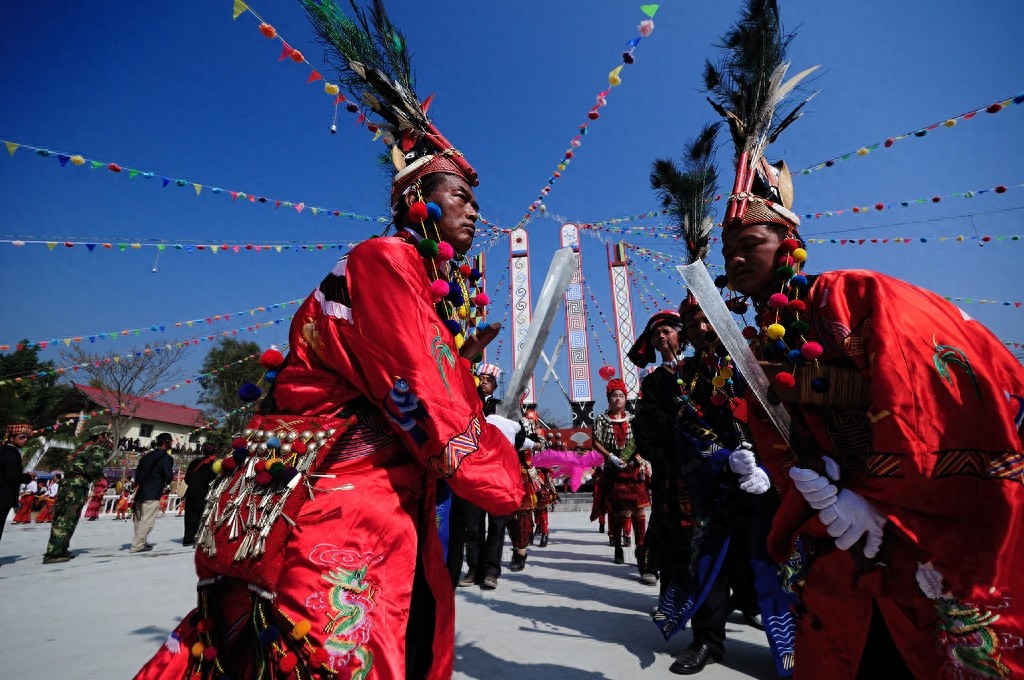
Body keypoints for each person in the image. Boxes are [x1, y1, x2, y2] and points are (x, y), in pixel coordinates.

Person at [134, 4, 524, 676]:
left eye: (475, 201)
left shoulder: (410, 277)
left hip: (350, 487)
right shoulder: (386, 260)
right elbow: (420, 390)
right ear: (418, 198)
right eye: (460, 194)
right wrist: (493, 451)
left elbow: (414, 374)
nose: (473, 211)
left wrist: (467, 376)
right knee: (336, 651)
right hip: (345, 499)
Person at [457, 362, 510, 590]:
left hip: (498, 471)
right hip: (474, 470)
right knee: (472, 525)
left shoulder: (503, 407)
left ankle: (491, 571)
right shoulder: (467, 404)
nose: (484, 382)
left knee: (497, 524)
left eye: (489, 379)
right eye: (482, 378)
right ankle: (474, 569)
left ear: (496, 385)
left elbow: (518, 436)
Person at [592, 377, 652, 572]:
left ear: (626, 399)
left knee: (639, 511)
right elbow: (596, 442)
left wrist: (638, 457)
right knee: (619, 512)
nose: (618, 399)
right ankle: (618, 546)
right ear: (608, 399)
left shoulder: (633, 419)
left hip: (633, 469)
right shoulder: (601, 419)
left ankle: (641, 549)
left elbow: (640, 441)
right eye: (614, 396)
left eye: (621, 396)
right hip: (614, 470)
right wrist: (610, 457)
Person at [42, 426, 113, 564]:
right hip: (77, 485)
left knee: (61, 516)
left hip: (66, 483)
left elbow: (66, 465)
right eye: (105, 435)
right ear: (99, 436)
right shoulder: (96, 448)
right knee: (68, 518)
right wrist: (99, 476)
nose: (107, 438)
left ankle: (60, 548)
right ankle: (54, 553)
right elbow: (94, 469)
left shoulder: (80, 447)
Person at [130, 432, 174, 553]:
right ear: (166, 442)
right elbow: (168, 475)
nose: (172, 443)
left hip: (141, 491)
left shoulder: (146, 456)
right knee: (147, 520)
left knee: (139, 519)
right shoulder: (166, 458)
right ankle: (138, 545)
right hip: (153, 492)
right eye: (171, 441)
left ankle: (140, 541)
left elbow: (138, 474)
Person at [181, 441, 218, 546]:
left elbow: (187, 479)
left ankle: (188, 538)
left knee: (189, 517)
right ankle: (197, 537)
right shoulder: (214, 464)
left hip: (191, 492)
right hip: (203, 494)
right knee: (200, 517)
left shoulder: (195, 462)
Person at [1, 423, 34, 543]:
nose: (25, 440)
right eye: (21, 437)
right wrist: (28, 477)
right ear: (11, 438)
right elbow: (12, 476)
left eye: (27, 437)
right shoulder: (11, 452)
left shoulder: (4, 450)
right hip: (3, 497)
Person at [531, 465, 559, 548]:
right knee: (529, 506)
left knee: (541, 504)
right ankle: (530, 531)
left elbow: (551, 466)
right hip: (525, 475)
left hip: (539, 476)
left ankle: (544, 532)